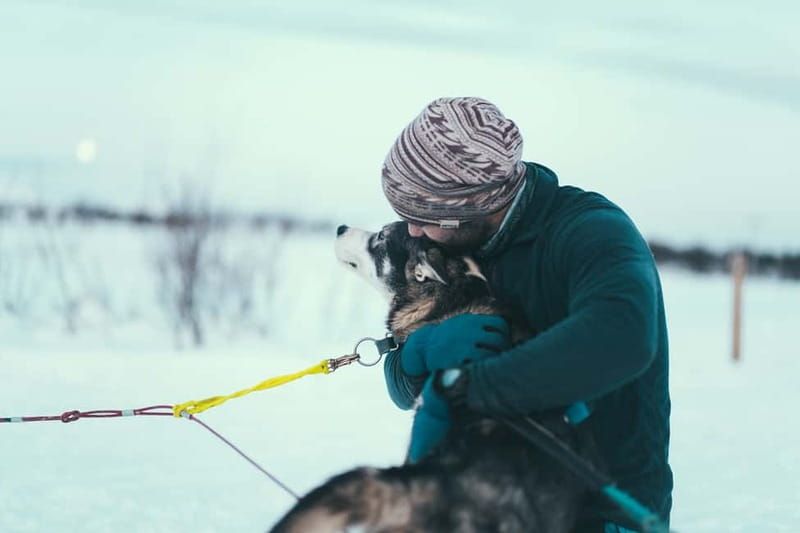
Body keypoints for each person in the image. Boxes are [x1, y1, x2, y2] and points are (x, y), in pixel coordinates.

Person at [380, 97, 673, 532]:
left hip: (599, 508)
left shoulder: (591, 233)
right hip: (486, 503)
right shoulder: (453, 243)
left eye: (423, 217)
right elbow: (408, 390)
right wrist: (417, 353)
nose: (412, 232)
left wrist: (474, 387)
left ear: (473, 203)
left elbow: (623, 336)